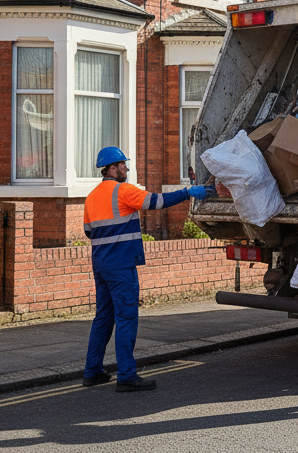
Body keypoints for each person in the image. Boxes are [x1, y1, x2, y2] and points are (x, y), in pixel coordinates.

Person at [82, 146, 211, 392]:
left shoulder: (92, 197)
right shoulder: (123, 191)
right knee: (126, 318)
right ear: (112, 168)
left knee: (103, 318)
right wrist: (187, 192)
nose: (127, 168)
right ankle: (126, 376)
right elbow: (157, 201)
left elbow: (89, 232)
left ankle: (92, 372)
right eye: (123, 164)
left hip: (101, 266)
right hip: (122, 265)